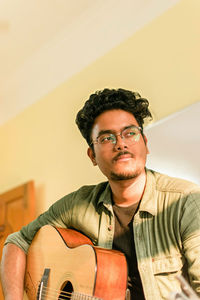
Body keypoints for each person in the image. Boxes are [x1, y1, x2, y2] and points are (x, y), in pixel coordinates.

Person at [1, 88, 200, 300]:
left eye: (130, 133)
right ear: (92, 155)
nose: (121, 144)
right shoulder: (77, 205)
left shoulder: (186, 201)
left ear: (145, 143)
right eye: (106, 138)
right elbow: (17, 242)